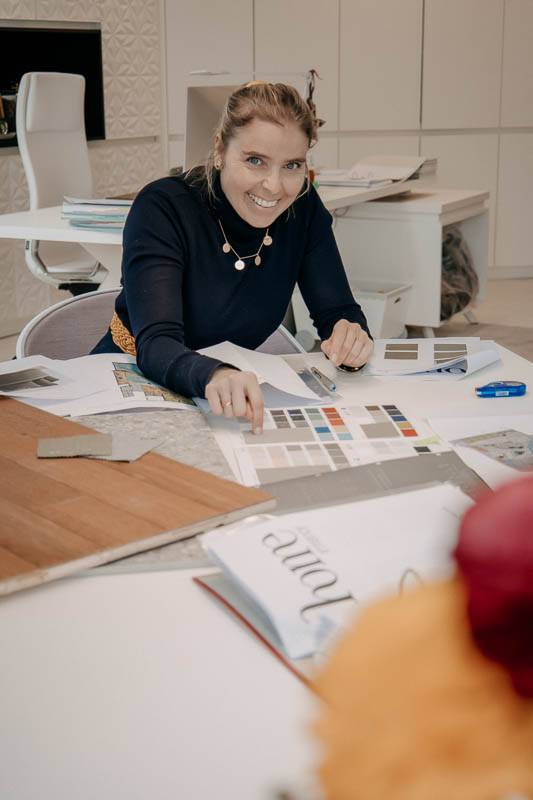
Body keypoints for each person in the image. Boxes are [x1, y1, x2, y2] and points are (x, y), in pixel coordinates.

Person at [92, 81, 373, 432]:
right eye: (255, 161)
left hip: (225, 392)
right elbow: (157, 343)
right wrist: (216, 374)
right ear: (220, 150)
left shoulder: (303, 208)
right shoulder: (163, 207)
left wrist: (350, 335)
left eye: (292, 166)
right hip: (133, 381)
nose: (274, 185)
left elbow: (338, 312)